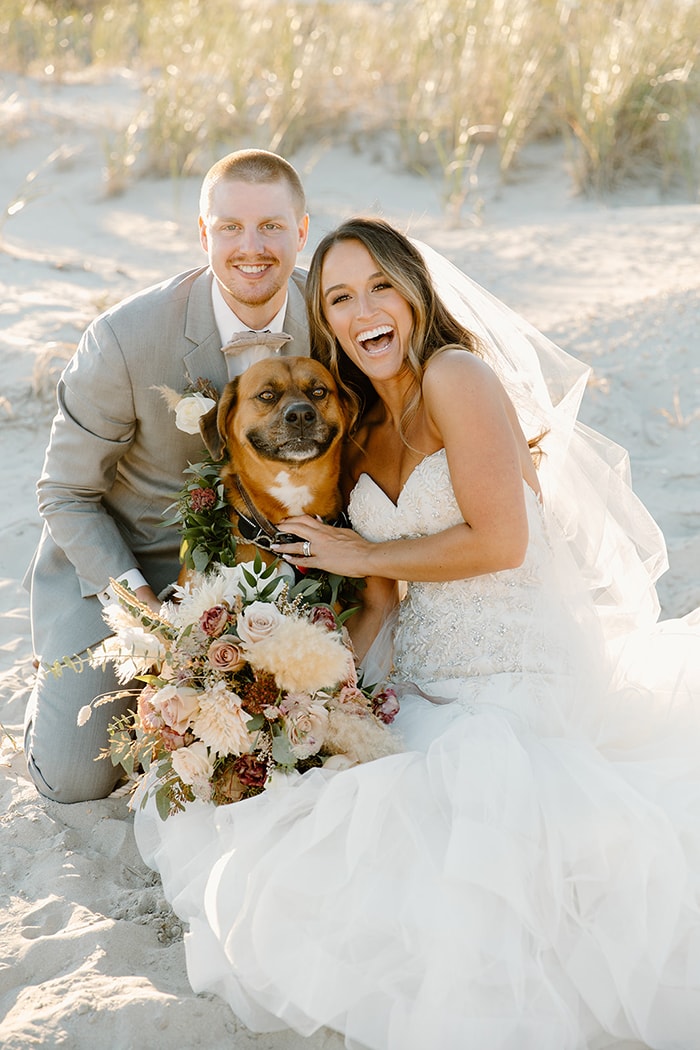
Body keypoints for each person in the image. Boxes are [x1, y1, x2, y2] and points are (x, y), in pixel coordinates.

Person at [135, 218, 700, 1049]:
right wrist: (321, 687)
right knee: (308, 820)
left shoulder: (455, 375)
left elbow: (500, 542)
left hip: (514, 669)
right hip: (422, 673)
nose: (364, 309)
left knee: (463, 853)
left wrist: (365, 547)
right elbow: (382, 596)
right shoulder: (356, 423)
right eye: (339, 297)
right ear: (325, 322)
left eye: (380, 287)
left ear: (414, 292)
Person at [24, 148, 311, 804]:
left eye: (271, 226)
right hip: (129, 566)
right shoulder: (125, 339)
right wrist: (147, 615)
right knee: (76, 779)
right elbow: (64, 493)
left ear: (301, 231)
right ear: (204, 233)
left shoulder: (330, 318)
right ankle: (52, 684)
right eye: (230, 227)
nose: (252, 247)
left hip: (275, 569)